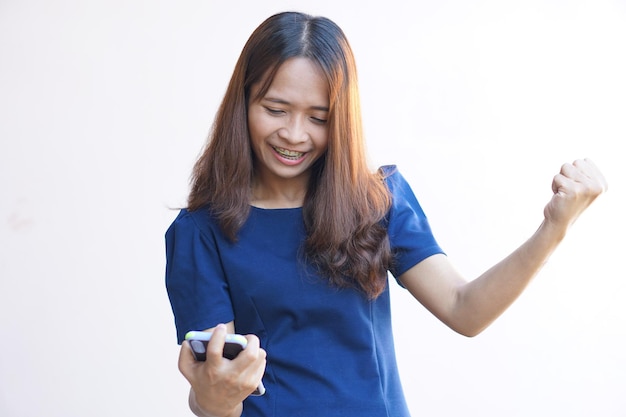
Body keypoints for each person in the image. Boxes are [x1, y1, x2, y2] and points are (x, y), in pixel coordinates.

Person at [164, 11, 607, 417]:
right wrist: (212, 397)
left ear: (341, 120)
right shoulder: (200, 233)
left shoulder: (377, 200)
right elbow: (214, 395)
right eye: (276, 109)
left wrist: (554, 227)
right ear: (242, 104)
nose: (294, 134)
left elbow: (464, 309)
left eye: (318, 117)